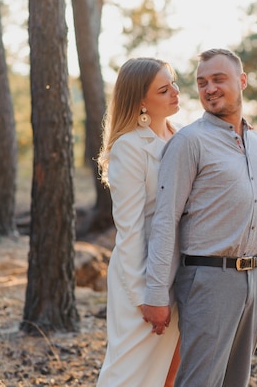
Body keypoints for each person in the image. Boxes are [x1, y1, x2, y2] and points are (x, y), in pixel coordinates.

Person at [142, 48, 257, 387]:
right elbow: (166, 220)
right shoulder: (188, 142)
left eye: (218, 79)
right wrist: (156, 294)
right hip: (207, 281)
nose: (209, 88)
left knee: (235, 382)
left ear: (242, 81)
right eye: (202, 82)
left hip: (254, 281)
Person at [96, 57, 181, 387]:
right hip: (142, 276)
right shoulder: (129, 147)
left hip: (180, 272)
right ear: (141, 101)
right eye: (164, 89)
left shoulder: (182, 136)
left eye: (173, 82)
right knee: (128, 373)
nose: (175, 92)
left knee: (169, 371)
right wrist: (145, 296)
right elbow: (129, 230)